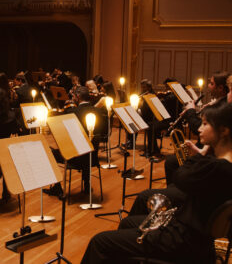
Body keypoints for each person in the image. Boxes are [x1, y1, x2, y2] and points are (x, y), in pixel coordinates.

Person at [81, 101, 232, 264]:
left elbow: (180, 176)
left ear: (223, 131)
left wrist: (199, 155)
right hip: (194, 238)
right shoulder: (221, 165)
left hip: (181, 241)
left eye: (205, 124)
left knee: (100, 241)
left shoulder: (216, 167)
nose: (200, 129)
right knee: (127, 222)